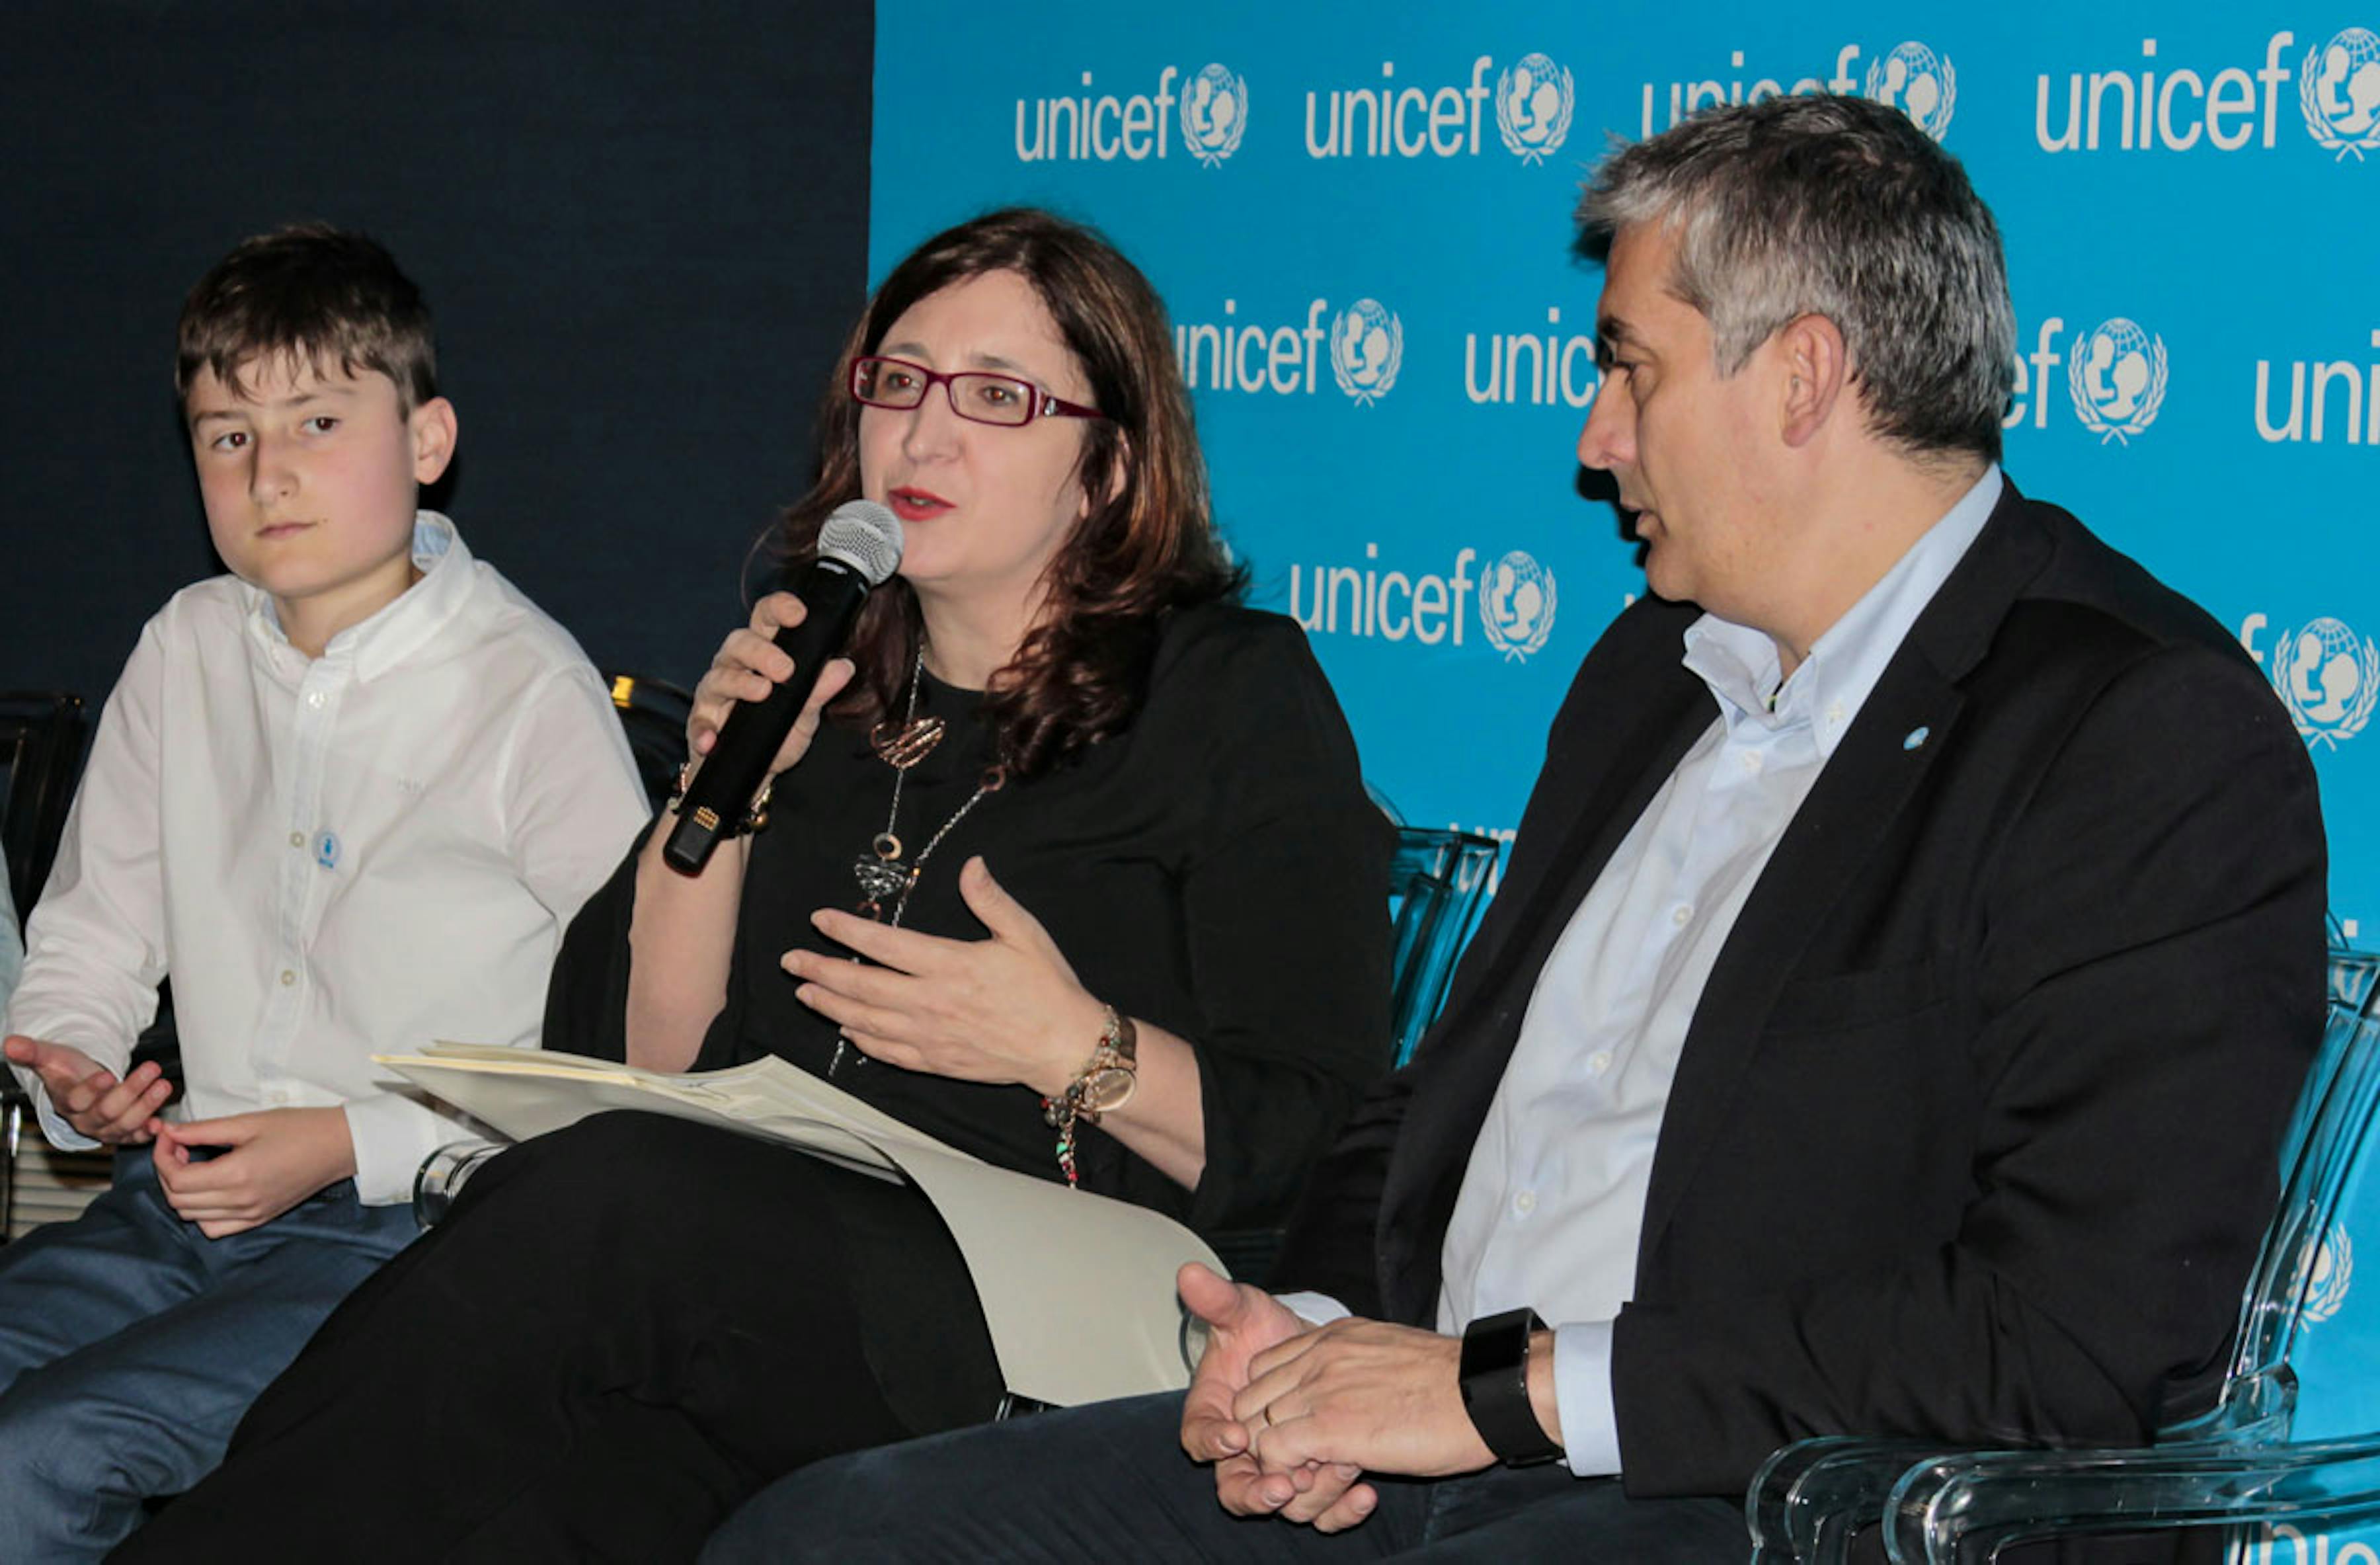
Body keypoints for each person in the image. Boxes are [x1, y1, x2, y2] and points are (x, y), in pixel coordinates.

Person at [699, 95, 2328, 1564]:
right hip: (1424, 1441)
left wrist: (1514, 1390)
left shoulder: (2136, 730)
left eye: (1630, 365)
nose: (1593, 439)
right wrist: (1311, 1336)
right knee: (827, 1534)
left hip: (1760, 1495)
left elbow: (2078, 1333)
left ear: (1805, 377)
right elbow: (1433, 1107)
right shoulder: (1649, 674)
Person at [120, 206, 1392, 1562]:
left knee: (618, 1204)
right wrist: (724, 801)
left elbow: (1320, 1128)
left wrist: (1069, 1047)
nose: (925, 432)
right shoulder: (828, 694)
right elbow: (647, 1059)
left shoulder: (1228, 691)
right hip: (754, 1298)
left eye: (1000, 397)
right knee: (539, 1498)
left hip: (1055, 1314)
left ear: (1110, 462)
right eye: (897, 382)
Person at [0, 225, 649, 1559]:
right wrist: (69, 1059)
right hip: (181, 1198)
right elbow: (97, 923)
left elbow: (630, 1056)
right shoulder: (184, 647)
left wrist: (355, 1137)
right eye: (226, 434)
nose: (268, 469)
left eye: (315, 420)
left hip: (420, 1233)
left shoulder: (527, 689)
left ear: (428, 440)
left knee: (44, 1452)